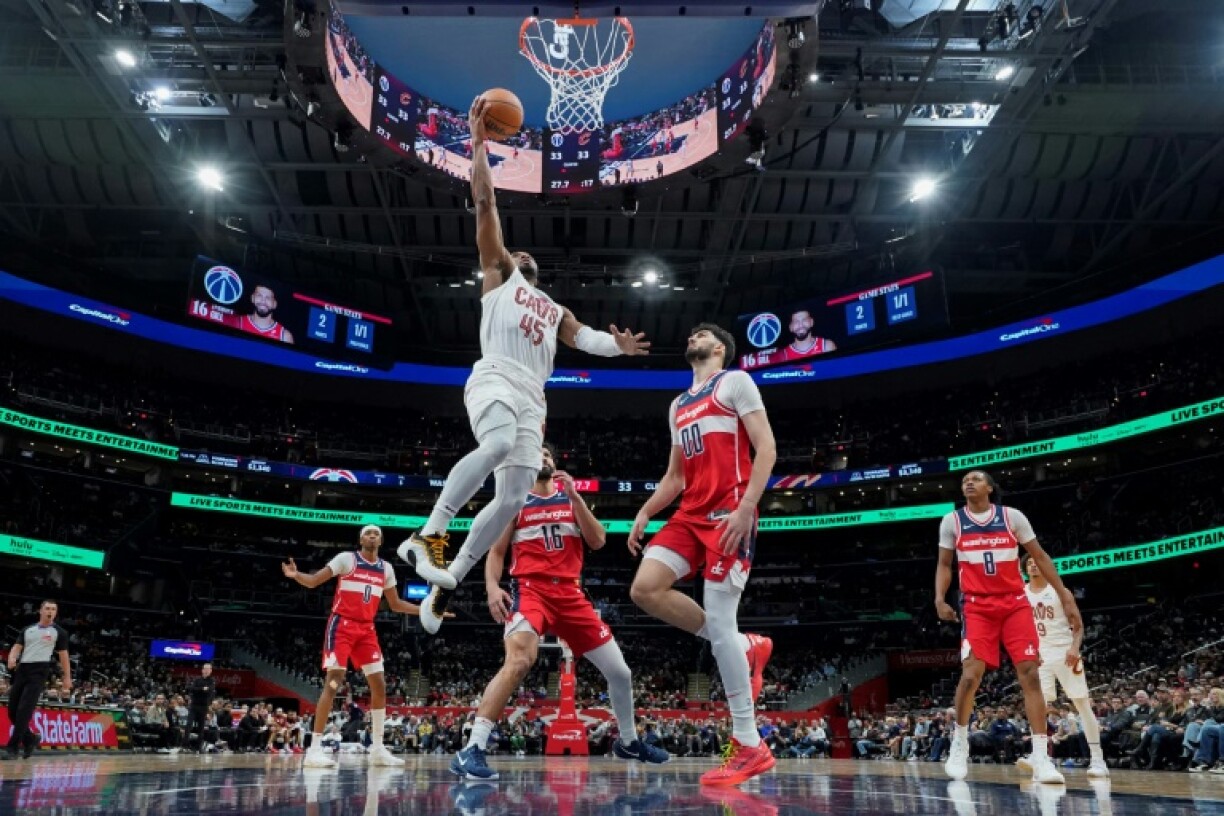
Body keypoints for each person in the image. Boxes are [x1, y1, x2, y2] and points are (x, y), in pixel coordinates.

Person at [398, 93, 650, 634]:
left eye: (534, 257)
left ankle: (449, 580)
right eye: (522, 253)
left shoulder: (555, 308)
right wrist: (478, 144)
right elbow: (486, 203)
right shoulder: (500, 274)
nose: (527, 255)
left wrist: (619, 347)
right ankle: (429, 534)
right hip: (495, 377)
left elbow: (585, 339)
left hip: (534, 397)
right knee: (492, 448)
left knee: (512, 496)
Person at [449, 444, 669, 780]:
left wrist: (578, 499)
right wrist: (492, 587)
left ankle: (628, 742)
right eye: (537, 455)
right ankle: (472, 748)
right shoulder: (514, 503)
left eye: (549, 455)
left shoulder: (571, 500)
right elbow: (496, 553)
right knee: (520, 660)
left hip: (570, 594)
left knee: (621, 673)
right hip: (531, 590)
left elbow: (597, 540)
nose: (544, 458)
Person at [626, 323, 778, 786]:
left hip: (731, 511)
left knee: (719, 614)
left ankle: (750, 744)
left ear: (718, 348)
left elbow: (767, 447)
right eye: (689, 333)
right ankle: (744, 646)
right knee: (645, 589)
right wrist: (645, 511)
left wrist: (747, 507)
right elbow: (675, 477)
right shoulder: (678, 404)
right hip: (690, 513)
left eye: (701, 333)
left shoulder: (735, 381)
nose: (691, 336)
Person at [934, 470, 1083, 784]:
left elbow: (1039, 556)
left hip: (1015, 602)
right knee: (971, 674)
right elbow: (945, 564)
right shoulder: (952, 522)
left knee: (1030, 673)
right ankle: (959, 742)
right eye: (964, 481)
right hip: (976, 604)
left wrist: (1064, 595)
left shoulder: (1012, 517)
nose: (968, 483)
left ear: (990, 487)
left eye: (975, 479)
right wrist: (939, 598)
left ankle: (1041, 757)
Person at [282, 524, 426, 768]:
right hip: (342, 625)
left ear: (381, 540)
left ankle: (378, 749)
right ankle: (314, 750)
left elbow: (396, 604)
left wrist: (426, 611)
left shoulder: (386, 568)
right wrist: (297, 576)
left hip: (366, 629)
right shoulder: (346, 559)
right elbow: (315, 580)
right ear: (361, 539)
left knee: (379, 684)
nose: (372, 536)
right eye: (368, 533)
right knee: (334, 681)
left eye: (376, 534)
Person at [1015, 553, 1109, 777]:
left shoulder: (1060, 591)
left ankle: (1098, 761)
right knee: (1038, 705)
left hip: (1064, 649)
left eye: (1036, 561)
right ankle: (1039, 756)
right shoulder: (1022, 594)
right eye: (1028, 563)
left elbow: (1078, 625)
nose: (1033, 565)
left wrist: (1075, 648)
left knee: (1081, 703)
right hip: (1040, 654)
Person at [4, 600, 71, 760]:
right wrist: (12, 658)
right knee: (12, 712)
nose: (50, 611)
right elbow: (17, 646)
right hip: (22, 670)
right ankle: (30, 738)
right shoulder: (28, 629)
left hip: (39, 671)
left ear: (56, 612)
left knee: (24, 711)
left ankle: (12, 748)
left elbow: (64, 656)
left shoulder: (59, 632)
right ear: (40, 610)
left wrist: (67, 677)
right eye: (47, 608)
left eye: (53, 609)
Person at [185, 662, 217, 753]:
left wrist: (198, 690)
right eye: (205, 669)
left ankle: (198, 747)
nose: (206, 670)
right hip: (194, 705)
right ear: (202, 670)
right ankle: (185, 746)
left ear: (211, 671)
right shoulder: (197, 680)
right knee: (188, 725)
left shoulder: (212, 681)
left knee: (201, 728)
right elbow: (191, 688)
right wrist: (202, 689)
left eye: (208, 669)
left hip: (203, 707)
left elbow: (209, 691)